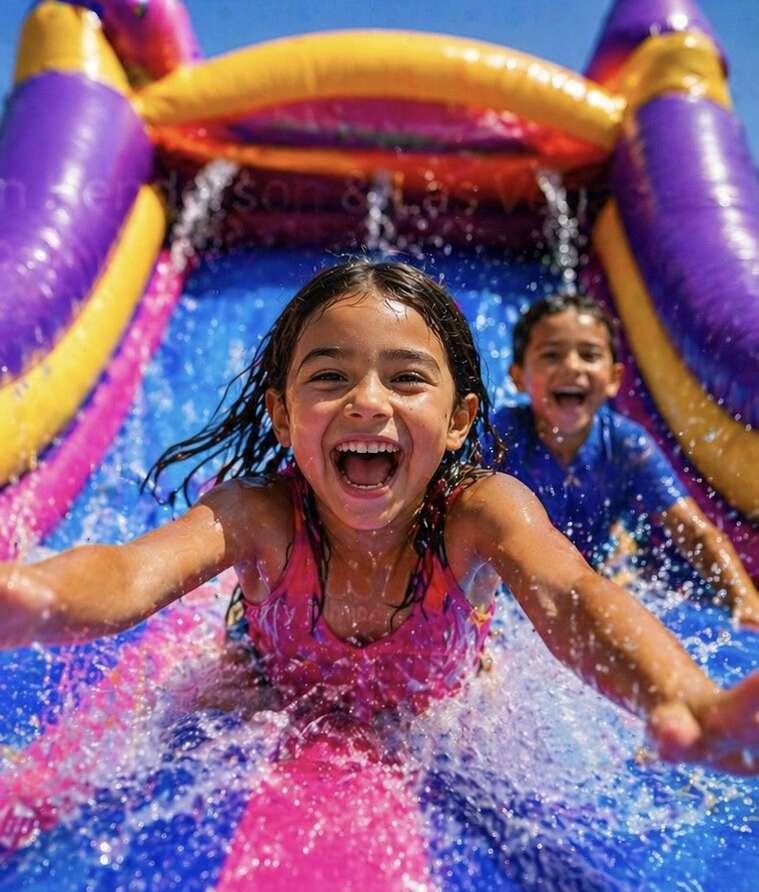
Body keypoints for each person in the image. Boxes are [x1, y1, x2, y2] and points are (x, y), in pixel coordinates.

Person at [1, 262, 757, 779]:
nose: (367, 401)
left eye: (405, 378)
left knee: (481, 707)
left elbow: (574, 597)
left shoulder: (483, 513)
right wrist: (33, 597)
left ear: (459, 419)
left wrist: (682, 698)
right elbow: (130, 573)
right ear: (281, 410)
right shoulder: (258, 513)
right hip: (269, 684)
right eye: (329, 377)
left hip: (438, 697)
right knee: (212, 702)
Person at [488, 292, 759, 628]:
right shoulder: (500, 437)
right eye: (551, 355)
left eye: (589, 355)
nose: (572, 366)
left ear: (615, 378)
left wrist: (745, 601)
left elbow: (695, 533)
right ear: (517, 377)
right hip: (509, 589)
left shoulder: (625, 445)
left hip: (595, 576)